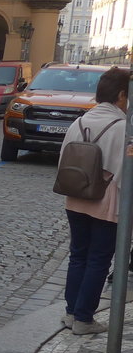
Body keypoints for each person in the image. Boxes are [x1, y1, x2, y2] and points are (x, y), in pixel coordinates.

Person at [59, 66, 130, 335]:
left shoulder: (79, 122)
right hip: (106, 202)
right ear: (121, 95)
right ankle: (84, 319)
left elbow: (63, 160)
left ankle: (70, 313)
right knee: (99, 260)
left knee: (78, 255)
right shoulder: (122, 128)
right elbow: (124, 174)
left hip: (76, 198)